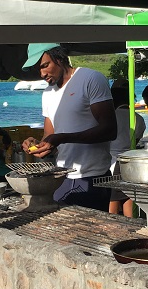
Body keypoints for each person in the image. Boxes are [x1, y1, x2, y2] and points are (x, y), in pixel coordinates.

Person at [20, 43, 116, 211]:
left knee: (90, 234)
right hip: (60, 178)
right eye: (38, 69)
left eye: (45, 65)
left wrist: (63, 137)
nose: (42, 74)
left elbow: (109, 130)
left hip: (92, 178)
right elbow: (50, 137)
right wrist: (36, 145)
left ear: (59, 58)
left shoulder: (90, 78)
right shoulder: (48, 93)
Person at [108, 78, 146, 216]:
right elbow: (135, 141)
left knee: (111, 206)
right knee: (128, 201)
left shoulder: (110, 117)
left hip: (112, 164)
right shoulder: (139, 119)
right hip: (131, 165)